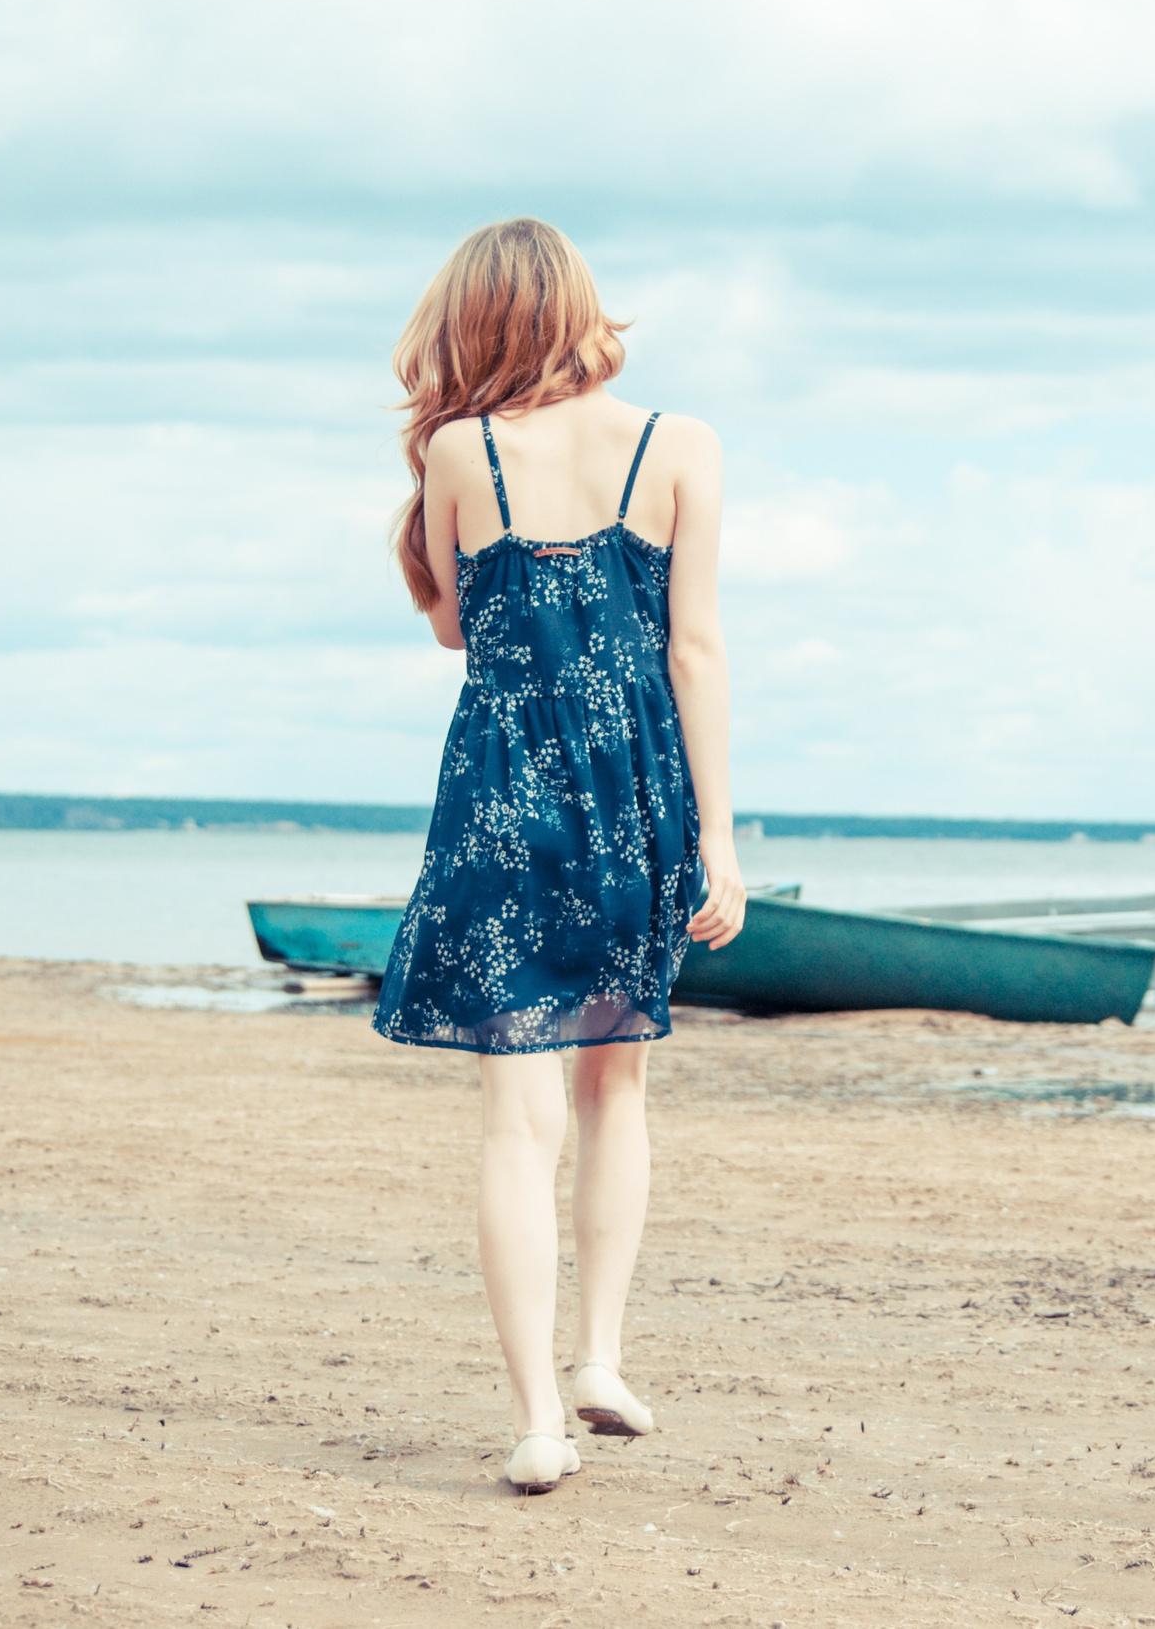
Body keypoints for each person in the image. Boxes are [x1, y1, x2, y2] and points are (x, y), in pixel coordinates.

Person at [371, 218, 746, 1492]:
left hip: (503, 800)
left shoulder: (458, 452)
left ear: (472, 322)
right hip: (640, 795)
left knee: (515, 1122)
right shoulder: (680, 445)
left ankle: (538, 1421)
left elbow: (461, 638)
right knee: (616, 1091)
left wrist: (414, 544)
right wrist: (722, 844)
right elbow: (693, 651)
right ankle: (600, 1360)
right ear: (582, 308)